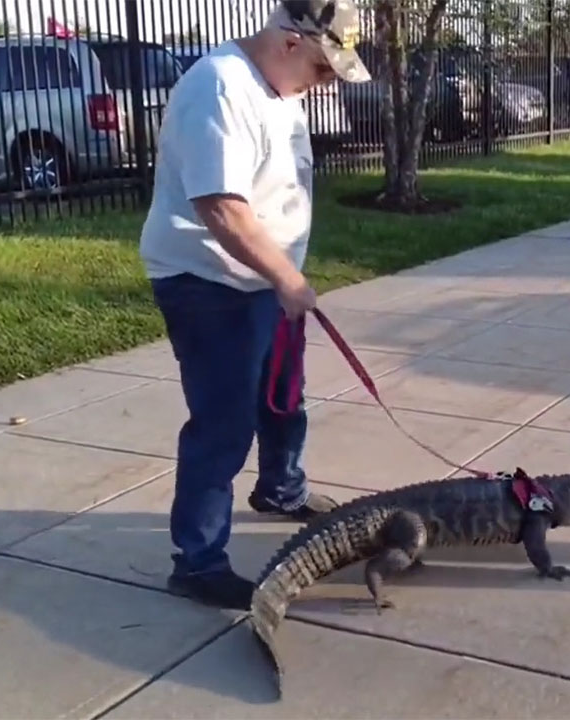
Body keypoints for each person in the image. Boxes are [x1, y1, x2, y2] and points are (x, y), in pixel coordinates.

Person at [137, 0, 371, 610]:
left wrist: (282, 274)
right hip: (209, 283)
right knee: (223, 423)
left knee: (281, 396)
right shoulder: (220, 87)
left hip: (264, 279)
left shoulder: (280, 85)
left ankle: (281, 488)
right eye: (323, 69)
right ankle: (198, 562)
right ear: (290, 42)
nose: (326, 84)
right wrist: (286, 278)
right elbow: (221, 206)